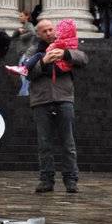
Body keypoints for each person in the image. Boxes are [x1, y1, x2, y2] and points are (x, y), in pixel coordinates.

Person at [25, 16, 87, 194]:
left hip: (64, 98)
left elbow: (83, 59)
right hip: (41, 100)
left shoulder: (66, 45)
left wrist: (65, 54)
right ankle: (46, 179)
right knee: (44, 143)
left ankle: (71, 180)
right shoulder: (33, 51)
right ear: (38, 34)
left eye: (50, 29)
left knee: (68, 142)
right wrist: (43, 62)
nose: (48, 33)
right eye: (44, 31)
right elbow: (26, 72)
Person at [7, 9, 38, 95]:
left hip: (27, 53)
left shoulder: (29, 25)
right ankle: (24, 93)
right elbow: (13, 36)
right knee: (23, 74)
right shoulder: (23, 26)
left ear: (27, 17)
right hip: (23, 53)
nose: (19, 18)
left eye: (21, 16)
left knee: (23, 74)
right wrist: (18, 31)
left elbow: (33, 33)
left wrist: (22, 35)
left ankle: (24, 93)